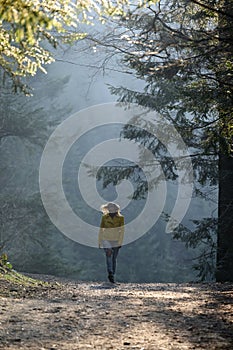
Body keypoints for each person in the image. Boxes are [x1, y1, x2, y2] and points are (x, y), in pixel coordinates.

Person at [98, 202, 124, 283]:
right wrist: (99, 241)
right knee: (109, 254)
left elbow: (122, 231)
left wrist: (120, 242)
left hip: (116, 239)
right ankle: (110, 272)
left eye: (112, 208)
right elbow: (101, 229)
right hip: (106, 238)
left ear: (116, 209)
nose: (110, 209)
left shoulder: (121, 218)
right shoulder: (104, 217)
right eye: (109, 208)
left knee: (114, 259)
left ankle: (112, 275)